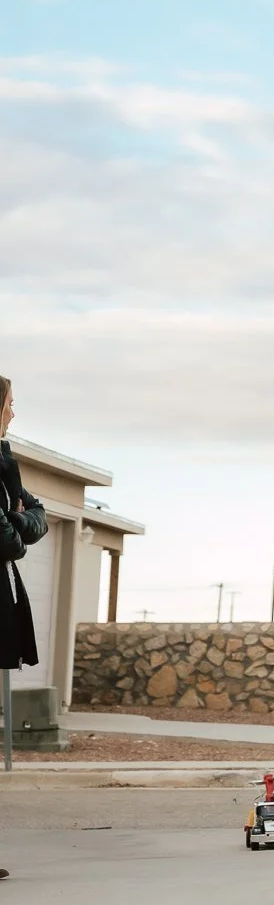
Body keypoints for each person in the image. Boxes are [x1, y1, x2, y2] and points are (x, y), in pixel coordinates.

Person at [1, 375, 49, 884]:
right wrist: (15, 524)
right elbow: (9, 541)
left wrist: (16, 518)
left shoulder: (4, 466)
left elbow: (38, 517)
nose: (14, 412)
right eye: (10, 404)